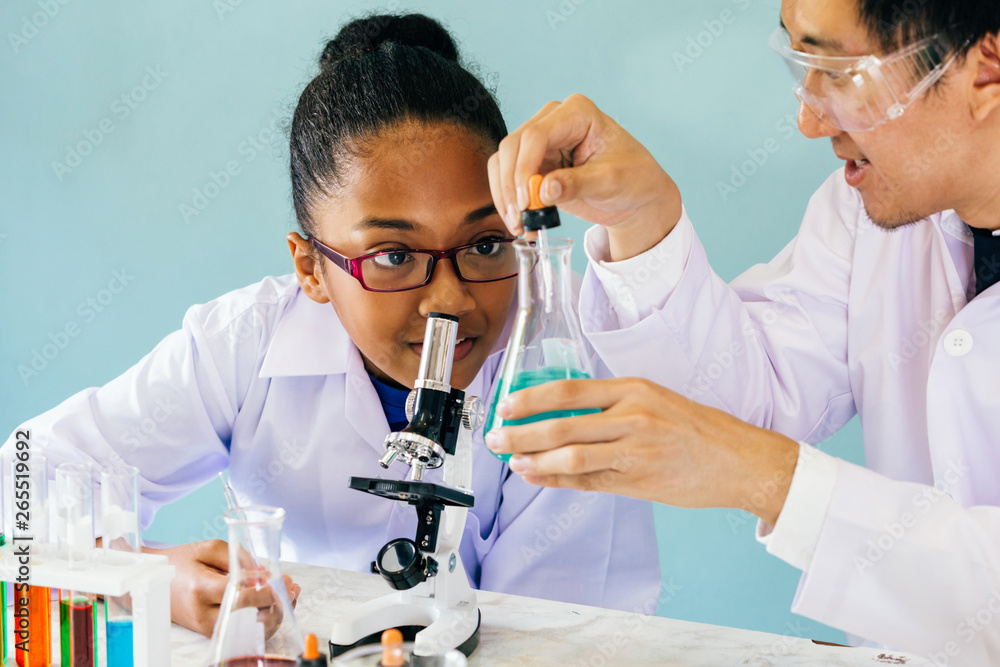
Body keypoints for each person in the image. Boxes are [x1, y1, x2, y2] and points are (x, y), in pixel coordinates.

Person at [2, 14, 660, 637]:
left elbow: (555, 637)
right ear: (311, 266)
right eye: (394, 257)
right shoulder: (244, 343)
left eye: (485, 243)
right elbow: (21, 483)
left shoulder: (565, 354)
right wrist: (140, 575)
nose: (450, 299)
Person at [485, 0, 1000, 662]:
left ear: (986, 67)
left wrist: (771, 481)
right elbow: (748, 399)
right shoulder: (870, 211)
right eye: (799, 64)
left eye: (838, 70)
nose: (808, 120)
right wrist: (644, 221)